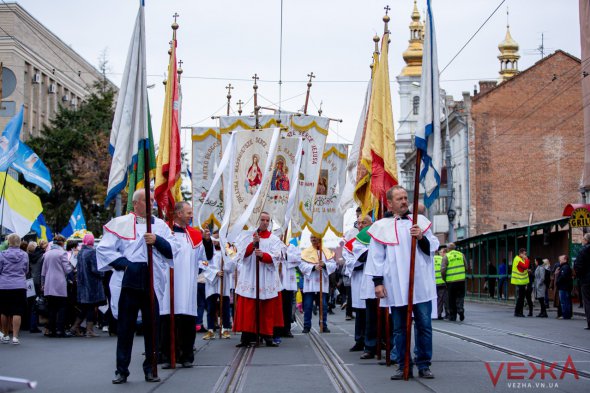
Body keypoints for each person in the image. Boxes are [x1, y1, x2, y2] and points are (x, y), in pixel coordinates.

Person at [97, 189, 178, 384]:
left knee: (152, 328)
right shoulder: (120, 223)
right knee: (125, 328)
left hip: (152, 281)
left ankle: (150, 368)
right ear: (136, 203)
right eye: (148, 200)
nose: (154, 205)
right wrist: (127, 265)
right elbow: (104, 249)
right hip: (129, 281)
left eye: (153, 201)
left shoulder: (161, 226)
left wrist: (157, 240)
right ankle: (121, 370)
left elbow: (173, 249)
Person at [365, 186, 439, 380]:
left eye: (406, 197)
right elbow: (376, 258)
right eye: (399, 198)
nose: (404, 201)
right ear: (390, 203)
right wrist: (378, 283)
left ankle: (424, 364)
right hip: (396, 284)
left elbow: (432, 249)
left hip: (420, 283)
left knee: (423, 325)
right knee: (399, 327)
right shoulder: (381, 226)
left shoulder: (420, 221)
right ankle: (403, 364)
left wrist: (421, 237)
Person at [161, 201, 213, 367]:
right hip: (169, 286)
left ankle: (186, 356)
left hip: (188, 286)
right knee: (170, 320)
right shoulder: (166, 233)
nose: (191, 215)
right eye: (189, 212)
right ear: (178, 214)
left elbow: (206, 257)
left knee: (187, 321)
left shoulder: (195, 235)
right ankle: (170, 356)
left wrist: (206, 241)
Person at [233, 212, 285, 347]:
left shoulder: (274, 239)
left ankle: (267, 336)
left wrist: (263, 256)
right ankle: (246, 337)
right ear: (257, 220)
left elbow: (277, 256)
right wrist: (253, 244)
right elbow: (240, 255)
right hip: (250, 275)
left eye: (268, 220)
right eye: (263, 220)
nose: (265, 222)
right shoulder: (246, 236)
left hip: (266, 277)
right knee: (249, 308)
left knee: (266, 308)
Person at [300, 235, 337, 333]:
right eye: (311, 237)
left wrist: (324, 265)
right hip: (310, 283)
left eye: (315, 237)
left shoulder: (326, 252)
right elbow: (302, 265)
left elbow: (333, 265)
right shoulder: (305, 252)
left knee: (323, 305)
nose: (313, 239)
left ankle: (323, 324)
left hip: (322, 283)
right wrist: (313, 267)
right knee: (308, 305)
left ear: (320, 238)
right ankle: (306, 326)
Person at [70, 234, 105, 337]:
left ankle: (75, 327)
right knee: (91, 307)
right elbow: (95, 269)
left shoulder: (80, 253)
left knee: (85, 307)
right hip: (92, 284)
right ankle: (89, 330)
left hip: (82, 284)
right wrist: (102, 273)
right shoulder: (92, 252)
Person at [203, 233, 234, 341]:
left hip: (223, 282)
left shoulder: (226, 251)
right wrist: (215, 272)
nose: (215, 241)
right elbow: (203, 264)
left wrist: (225, 265)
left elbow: (231, 266)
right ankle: (210, 329)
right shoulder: (207, 251)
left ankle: (225, 328)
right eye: (214, 239)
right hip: (211, 283)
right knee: (211, 307)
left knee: (225, 307)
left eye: (217, 239)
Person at [41, 235, 74, 337]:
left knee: (51, 308)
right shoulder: (62, 253)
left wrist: (43, 284)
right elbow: (67, 269)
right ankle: (60, 330)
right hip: (59, 283)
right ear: (62, 243)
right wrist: (72, 265)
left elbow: (43, 271)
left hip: (49, 283)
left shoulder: (47, 254)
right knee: (61, 307)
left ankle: (51, 329)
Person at [0, 234, 29, 345]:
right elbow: (26, 270)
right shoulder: (24, 255)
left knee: (4, 311)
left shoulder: (2, 254)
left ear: (9, 242)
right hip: (19, 285)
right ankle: (15, 337)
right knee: (17, 311)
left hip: (4, 285)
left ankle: (6, 335)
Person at [273, 242, 300, 339]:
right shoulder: (273, 245)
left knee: (287, 306)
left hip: (287, 282)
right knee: (277, 307)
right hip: (276, 281)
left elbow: (297, 259)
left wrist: (286, 254)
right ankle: (277, 329)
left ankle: (286, 329)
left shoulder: (291, 247)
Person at [441, 243, 467, 321]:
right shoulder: (461, 255)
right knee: (460, 297)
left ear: (448, 249)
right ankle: (460, 309)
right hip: (461, 280)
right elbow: (466, 266)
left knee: (451, 299)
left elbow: (443, 270)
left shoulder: (446, 256)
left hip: (451, 282)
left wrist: (444, 279)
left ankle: (453, 316)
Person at [27, 240, 45, 333]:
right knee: (37, 302)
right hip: (38, 281)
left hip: (29, 281)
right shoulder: (41, 256)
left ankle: (30, 324)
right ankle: (34, 324)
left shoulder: (27, 256)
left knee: (30, 303)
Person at [573, 233, 590, 329]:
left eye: (583, 239)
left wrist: (580, 276)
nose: (582, 241)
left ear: (586, 240)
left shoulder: (582, 251)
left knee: (587, 301)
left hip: (586, 280)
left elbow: (578, 266)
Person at [511, 248, 530, 317]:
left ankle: (519, 312)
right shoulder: (517, 259)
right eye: (524, 254)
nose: (525, 255)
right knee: (521, 298)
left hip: (521, 281)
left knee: (521, 298)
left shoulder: (520, 259)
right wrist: (527, 259)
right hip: (519, 281)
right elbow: (525, 266)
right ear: (521, 253)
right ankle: (517, 312)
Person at [555, 254, 573, 320]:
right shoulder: (564, 266)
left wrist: (558, 281)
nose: (560, 260)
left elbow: (563, 276)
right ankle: (567, 314)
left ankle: (565, 315)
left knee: (564, 301)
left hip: (564, 287)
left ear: (565, 259)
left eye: (561, 259)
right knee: (566, 301)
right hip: (565, 286)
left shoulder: (565, 267)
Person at [434, 246, 448, 320]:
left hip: (433, 284)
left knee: (434, 299)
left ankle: (434, 314)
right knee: (440, 299)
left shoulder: (430, 259)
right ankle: (439, 314)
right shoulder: (442, 259)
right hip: (442, 282)